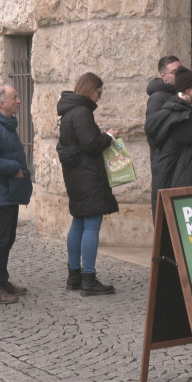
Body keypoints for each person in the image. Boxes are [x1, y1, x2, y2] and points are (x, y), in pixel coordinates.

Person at [56, 73, 118, 296]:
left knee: (79, 223)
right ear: (91, 89)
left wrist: (96, 134)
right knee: (91, 224)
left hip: (75, 175)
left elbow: (81, 140)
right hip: (87, 175)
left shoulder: (70, 111)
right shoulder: (82, 111)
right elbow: (91, 144)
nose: (99, 97)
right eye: (98, 92)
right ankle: (89, 279)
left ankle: (74, 275)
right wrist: (109, 136)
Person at [0, 85, 33, 305]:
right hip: (0, 194)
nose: (19, 100)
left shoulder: (6, 124)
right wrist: (14, 168)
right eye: (15, 97)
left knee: (7, 238)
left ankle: (2, 280)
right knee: (0, 241)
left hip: (8, 192)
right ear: (2, 103)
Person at [145, 66, 192, 211]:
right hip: (180, 188)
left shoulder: (182, 111)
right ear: (187, 90)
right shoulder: (180, 117)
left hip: (178, 184)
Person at [144, 55, 182, 164]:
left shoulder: (182, 93)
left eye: (181, 70)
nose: (180, 74)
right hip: (167, 161)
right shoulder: (157, 98)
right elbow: (153, 133)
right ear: (164, 76)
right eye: (175, 72)